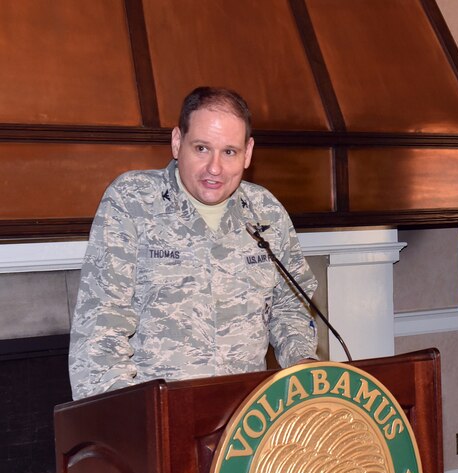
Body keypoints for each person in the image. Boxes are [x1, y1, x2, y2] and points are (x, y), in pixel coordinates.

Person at [69, 87, 317, 400]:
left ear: (248, 152)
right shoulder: (132, 201)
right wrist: (126, 422)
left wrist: (304, 364)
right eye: (202, 148)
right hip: (162, 417)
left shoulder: (265, 211)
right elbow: (101, 327)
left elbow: (289, 307)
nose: (215, 168)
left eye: (229, 152)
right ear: (177, 142)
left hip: (247, 419)